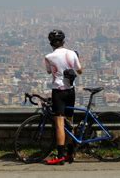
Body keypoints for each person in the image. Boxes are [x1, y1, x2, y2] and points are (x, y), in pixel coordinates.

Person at [44, 29, 83, 165]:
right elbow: (80, 70)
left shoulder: (49, 57)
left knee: (60, 124)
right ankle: (70, 153)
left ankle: (60, 155)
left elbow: (50, 72)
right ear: (64, 41)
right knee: (69, 122)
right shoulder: (72, 53)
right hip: (71, 91)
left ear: (51, 43)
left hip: (58, 92)